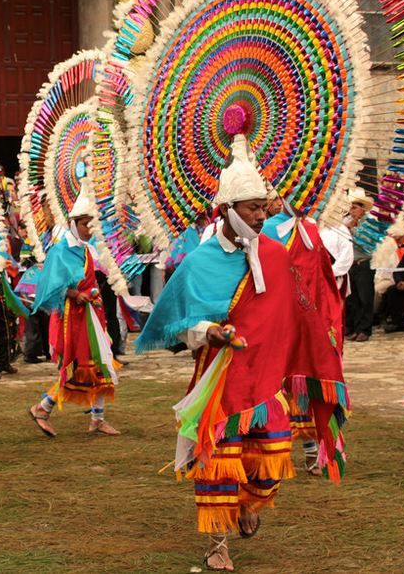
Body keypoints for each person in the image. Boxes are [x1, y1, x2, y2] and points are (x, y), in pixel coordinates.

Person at [136, 119, 347, 571]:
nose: (260, 216)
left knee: (273, 457)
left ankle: (251, 504)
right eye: (252, 209)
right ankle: (217, 546)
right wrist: (206, 332)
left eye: (263, 209)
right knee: (218, 464)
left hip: (267, 378)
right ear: (227, 210)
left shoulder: (273, 254)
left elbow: (298, 311)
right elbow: (177, 321)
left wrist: (319, 343)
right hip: (220, 380)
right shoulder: (199, 262)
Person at [27, 177, 120, 438]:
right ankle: (42, 407)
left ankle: (97, 418)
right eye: (84, 223)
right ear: (73, 223)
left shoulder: (87, 250)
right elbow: (50, 287)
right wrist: (76, 294)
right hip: (72, 318)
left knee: (101, 363)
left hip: (91, 315)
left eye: (92, 222)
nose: (89, 228)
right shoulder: (61, 251)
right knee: (76, 367)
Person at [262, 201, 346, 476]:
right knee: (276, 387)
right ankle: (269, 450)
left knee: (309, 384)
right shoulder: (267, 229)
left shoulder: (311, 230)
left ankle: (314, 450)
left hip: (310, 321)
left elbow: (322, 280)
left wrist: (327, 320)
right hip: (277, 320)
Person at [321, 188, 374, 341]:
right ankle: (356, 327)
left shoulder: (369, 223)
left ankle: (365, 329)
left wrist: (353, 232)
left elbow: (369, 243)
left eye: (354, 207)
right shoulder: (345, 223)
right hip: (352, 264)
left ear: (362, 209)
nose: (351, 211)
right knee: (354, 298)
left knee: (365, 297)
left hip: (364, 262)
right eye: (351, 207)